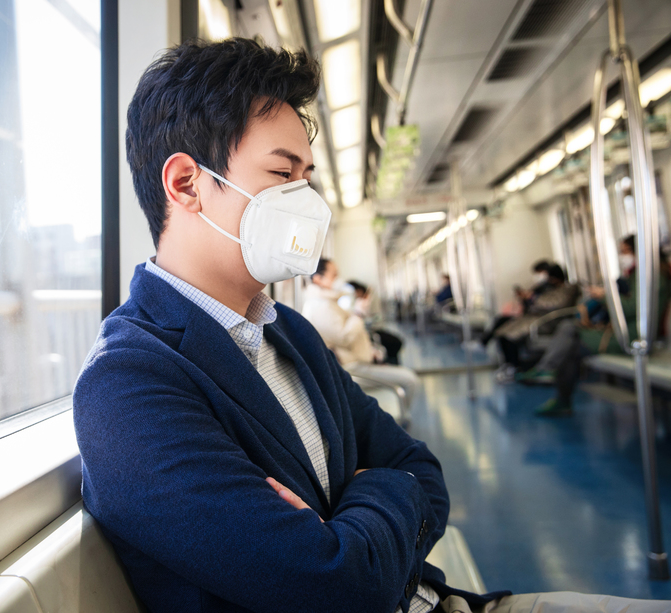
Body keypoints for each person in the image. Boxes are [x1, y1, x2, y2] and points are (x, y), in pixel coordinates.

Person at [73, 37, 669, 613]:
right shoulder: (130, 385)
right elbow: (338, 589)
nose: (305, 198)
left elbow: (425, 471)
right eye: (283, 174)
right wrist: (386, 488)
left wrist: (354, 515)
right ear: (186, 184)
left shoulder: (291, 337)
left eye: (307, 176)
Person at [527, 236, 670, 416]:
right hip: (627, 330)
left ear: (638, 251)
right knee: (569, 339)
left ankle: (550, 377)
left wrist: (604, 296)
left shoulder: (652, 276)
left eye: (624, 251)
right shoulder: (640, 274)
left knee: (570, 337)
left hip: (636, 335)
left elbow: (634, 308)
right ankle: (553, 382)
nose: (621, 255)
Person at [302, 260, 419, 404]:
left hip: (356, 360)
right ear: (317, 279)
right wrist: (358, 313)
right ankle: (402, 420)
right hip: (351, 368)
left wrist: (370, 352)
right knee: (409, 380)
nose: (338, 280)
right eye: (334, 275)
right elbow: (344, 338)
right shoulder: (319, 306)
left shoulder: (326, 302)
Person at [493, 263, 579, 382]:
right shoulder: (546, 288)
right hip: (535, 317)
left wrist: (533, 298)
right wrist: (527, 298)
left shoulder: (568, 289)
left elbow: (554, 304)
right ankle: (509, 365)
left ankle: (514, 367)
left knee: (510, 335)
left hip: (549, 321)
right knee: (502, 331)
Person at [350, 280, 405, 365]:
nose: (354, 295)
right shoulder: (356, 303)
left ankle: (393, 365)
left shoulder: (368, 300)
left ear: (359, 291)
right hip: (365, 333)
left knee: (396, 343)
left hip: (373, 330)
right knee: (395, 343)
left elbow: (375, 317)